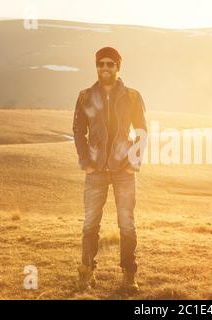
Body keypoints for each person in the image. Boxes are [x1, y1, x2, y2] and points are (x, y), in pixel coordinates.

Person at [72, 46, 147, 292]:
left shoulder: (133, 96)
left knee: (127, 224)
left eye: (110, 64)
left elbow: (142, 132)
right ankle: (86, 272)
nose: (105, 68)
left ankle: (129, 275)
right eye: (101, 64)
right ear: (96, 66)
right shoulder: (84, 96)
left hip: (123, 170)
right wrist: (86, 162)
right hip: (96, 171)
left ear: (118, 67)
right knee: (90, 224)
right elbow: (78, 131)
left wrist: (133, 163)